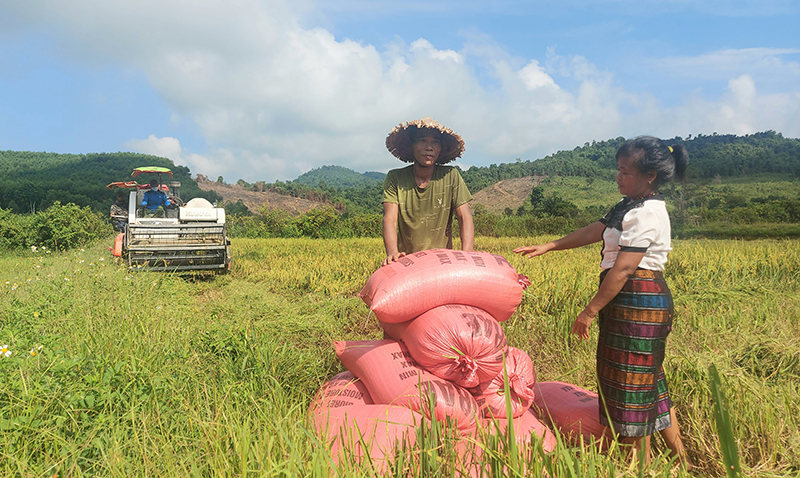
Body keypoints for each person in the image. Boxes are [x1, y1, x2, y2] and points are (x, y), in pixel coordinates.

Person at [513, 136, 691, 469]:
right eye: (618, 170)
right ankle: (682, 461)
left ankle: (638, 466)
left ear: (649, 175)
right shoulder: (629, 205)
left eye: (625, 172)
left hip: (639, 299)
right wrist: (549, 245)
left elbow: (623, 269)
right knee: (647, 382)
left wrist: (589, 310)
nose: (618, 177)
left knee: (631, 387)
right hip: (628, 300)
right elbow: (595, 230)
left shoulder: (648, 213)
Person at [382, 117, 474, 266]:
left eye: (435, 142)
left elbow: (464, 216)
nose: (429, 147)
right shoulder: (395, 178)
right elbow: (390, 219)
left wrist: (468, 254)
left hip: (443, 261)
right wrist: (393, 253)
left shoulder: (450, 176)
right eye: (422, 140)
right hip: (407, 261)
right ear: (411, 145)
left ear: (440, 148)